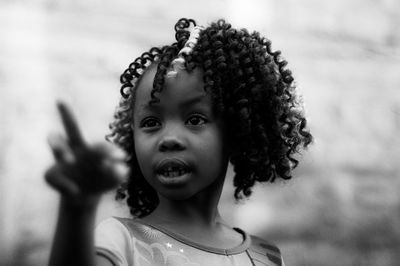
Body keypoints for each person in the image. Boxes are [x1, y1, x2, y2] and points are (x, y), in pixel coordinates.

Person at [45, 18, 312, 266]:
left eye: (195, 119)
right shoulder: (118, 240)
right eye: (151, 123)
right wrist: (77, 209)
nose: (169, 139)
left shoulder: (265, 257)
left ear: (236, 131)